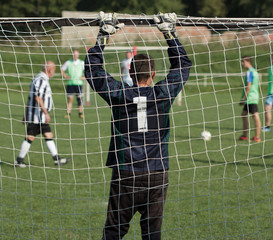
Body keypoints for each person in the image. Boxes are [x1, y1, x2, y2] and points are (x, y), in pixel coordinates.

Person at [85, 12, 191, 239]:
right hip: (157, 172)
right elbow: (182, 66)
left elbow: (93, 72)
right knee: (152, 232)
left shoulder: (120, 94)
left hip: (126, 172)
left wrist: (103, 36)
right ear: (153, 74)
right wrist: (169, 33)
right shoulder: (162, 94)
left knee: (114, 230)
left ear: (130, 73)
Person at [16, 61, 71, 168]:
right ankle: (19, 161)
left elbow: (31, 97)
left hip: (38, 115)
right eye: (54, 70)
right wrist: (46, 113)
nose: (54, 73)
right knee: (30, 137)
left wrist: (26, 114)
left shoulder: (41, 79)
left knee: (48, 135)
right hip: (38, 116)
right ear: (49, 69)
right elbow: (37, 97)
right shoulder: (40, 80)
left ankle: (57, 159)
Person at [238, 56, 261, 142]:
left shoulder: (249, 72)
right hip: (253, 96)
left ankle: (257, 137)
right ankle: (244, 135)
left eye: (242, 62)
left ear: (247, 62)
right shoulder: (255, 71)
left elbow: (248, 86)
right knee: (244, 114)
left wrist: (243, 98)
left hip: (250, 97)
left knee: (255, 116)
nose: (242, 63)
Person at [61, 50, 85, 118]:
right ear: (72, 55)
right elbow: (62, 69)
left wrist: (84, 77)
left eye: (76, 54)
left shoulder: (82, 63)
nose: (75, 56)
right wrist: (65, 76)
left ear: (78, 55)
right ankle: (68, 113)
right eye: (74, 54)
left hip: (79, 83)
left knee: (79, 99)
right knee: (70, 99)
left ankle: (80, 113)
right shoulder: (68, 62)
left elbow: (88, 71)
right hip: (70, 83)